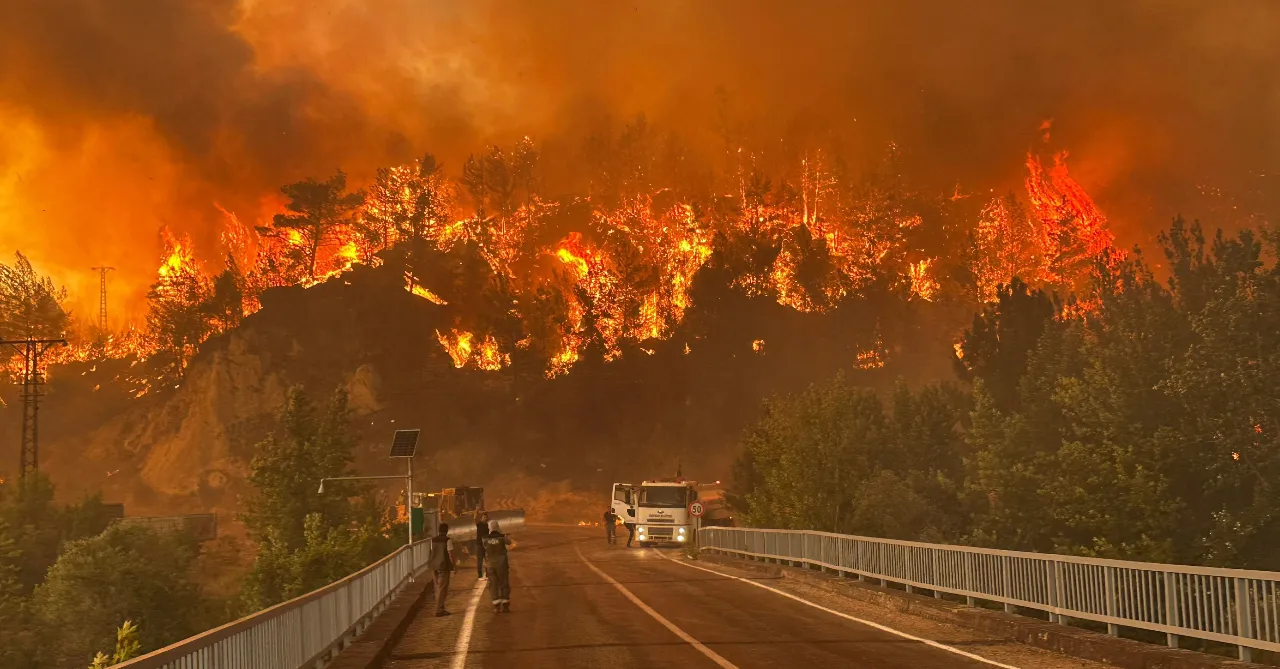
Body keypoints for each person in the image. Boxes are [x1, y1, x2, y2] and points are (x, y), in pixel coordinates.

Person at [483, 519, 515, 613]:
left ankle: (496, 606)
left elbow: (484, 551)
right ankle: (505, 606)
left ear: (489, 528)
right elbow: (513, 544)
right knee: (504, 583)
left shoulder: (485, 539)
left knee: (493, 584)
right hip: (502, 564)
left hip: (490, 565)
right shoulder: (503, 538)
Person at [427, 522, 456, 617]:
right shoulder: (448, 540)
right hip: (443, 566)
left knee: (437, 588)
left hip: (433, 566)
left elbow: (432, 552)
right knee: (442, 589)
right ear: (447, 530)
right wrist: (453, 566)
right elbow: (450, 554)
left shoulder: (433, 540)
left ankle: (441, 607)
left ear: (439, 530)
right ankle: (439, 610)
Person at [474, 509, 490, 580]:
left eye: (486, 517)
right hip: (479, 545)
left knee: (487, 560)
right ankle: (480, 576)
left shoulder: (488, 525)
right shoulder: (479, 524)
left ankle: (487, 574)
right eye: (484, 517)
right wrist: (477, 511)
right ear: (481, 518)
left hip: (486, 545)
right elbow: (474, 518)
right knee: (480, 561)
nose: (485, 518)